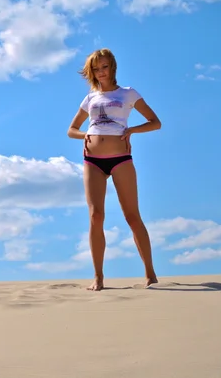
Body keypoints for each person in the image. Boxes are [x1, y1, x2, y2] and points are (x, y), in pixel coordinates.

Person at [67, 48, 161, 291]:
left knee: (132, 216)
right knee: (95, 216)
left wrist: (131, 130)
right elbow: (71, 129)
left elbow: (155, 122)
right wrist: (85, 133)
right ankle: (98, 277)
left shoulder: (128, 93)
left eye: (104, 67)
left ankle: (150, 274)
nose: (101, 72)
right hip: (92, 161)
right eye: (96, 69)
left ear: (113, 67)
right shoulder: (90, 98)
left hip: (121, 159)